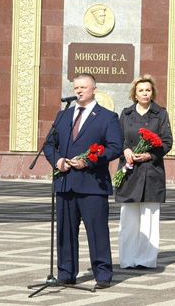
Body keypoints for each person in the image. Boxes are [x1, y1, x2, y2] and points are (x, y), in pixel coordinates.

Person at [44, 73, 123, 289]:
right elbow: (49, 145)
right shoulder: (63, 115)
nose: (79, 91)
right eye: (76, 87)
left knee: (97, 231)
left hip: (92, 184)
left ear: (94, 89)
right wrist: (58, 161)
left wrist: (88, 161)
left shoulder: (107, 117)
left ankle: (103, 275)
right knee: (65, 231)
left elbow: (115, 147)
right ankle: (66, 272)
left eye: (83, 87)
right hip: (65, 182)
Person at [115, 75, 173, 269]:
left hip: (151, 172)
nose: (145, 93)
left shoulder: (160, 114)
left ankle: (146, 260)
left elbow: (167, 142)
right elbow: (118, 138)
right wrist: (125, 150)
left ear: (152, 92)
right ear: (135, 94)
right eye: (141, 90)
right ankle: (128, 259)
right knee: (128, 220)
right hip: (129, 171)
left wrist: (150, 155)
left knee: (149, 219)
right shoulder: (126, 114)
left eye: (148, 90)